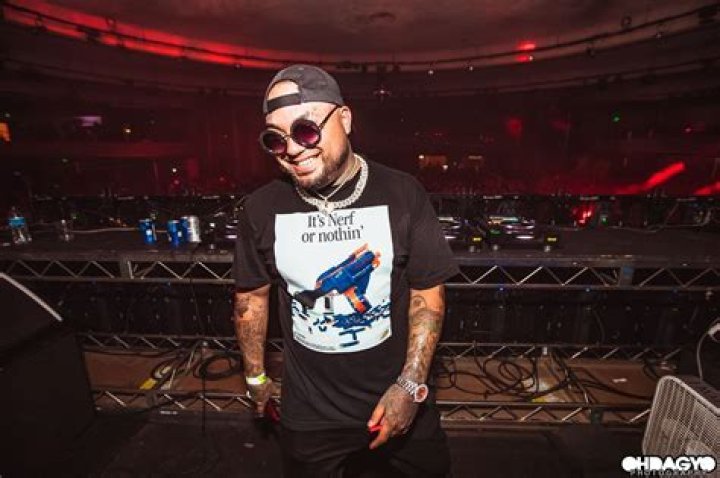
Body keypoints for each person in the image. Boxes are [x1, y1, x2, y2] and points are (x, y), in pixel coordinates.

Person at [233, 64, 459, 478]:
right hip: (310, 413)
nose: (293, 150)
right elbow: (251, 298)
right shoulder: (260, 208)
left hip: (396, 393)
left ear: (346, 119)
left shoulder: (403, 193)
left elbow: (428, 294)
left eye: (305, 131)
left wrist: (409, 387)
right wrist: (255, 378)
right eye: (276, 140)